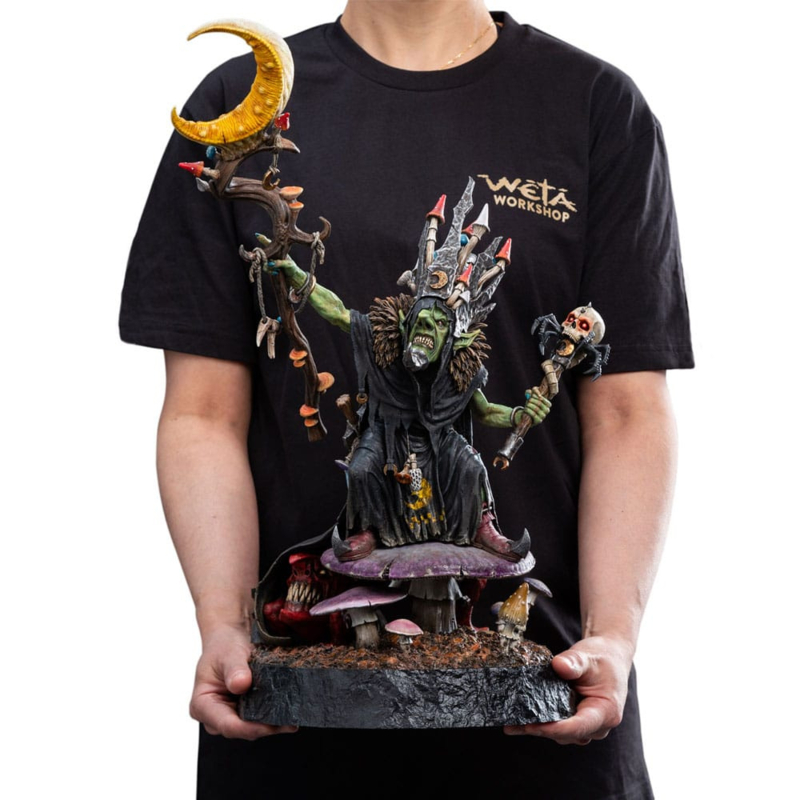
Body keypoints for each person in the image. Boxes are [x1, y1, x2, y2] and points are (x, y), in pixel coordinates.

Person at [120, 2, 693, 797]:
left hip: (550, 725)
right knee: (364, 469)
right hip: (292, 732)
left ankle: (484, 538)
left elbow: (628, 413)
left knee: (467, 466)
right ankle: (359, 547)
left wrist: (614, 637)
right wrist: (222, 625)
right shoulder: (240, 106)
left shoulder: (596, 107)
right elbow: (203, 413)